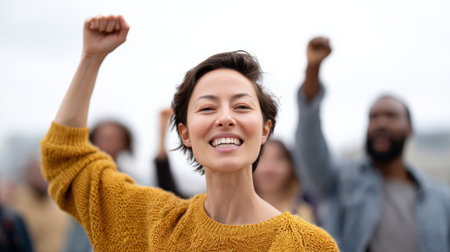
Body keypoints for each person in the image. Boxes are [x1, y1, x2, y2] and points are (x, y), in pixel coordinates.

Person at [40, 15, 338, 251]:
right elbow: (68, 160)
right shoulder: (154, 224)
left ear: (264, 130)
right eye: (207, 108)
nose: (224, 118)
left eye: (242, 106)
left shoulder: (305, 245)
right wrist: (91, 59)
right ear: (184, 134)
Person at [294, 37, 450, 252]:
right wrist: (313, 69)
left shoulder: (440, 199)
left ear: (410, 129)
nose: (381, 123)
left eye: (391, 116)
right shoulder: (341, 181)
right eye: (373, 117)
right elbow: (310, 149)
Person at [10, 154, 70, 252]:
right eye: (37, 172)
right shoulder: (16, 208)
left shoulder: (60, 208)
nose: (42, 177)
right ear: (28, 174)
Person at [254, 139, 317, 223]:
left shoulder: (308, 210)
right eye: (261, 157)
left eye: (279, 158)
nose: (269, 167)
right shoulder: (236, 211)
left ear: (291, 166)